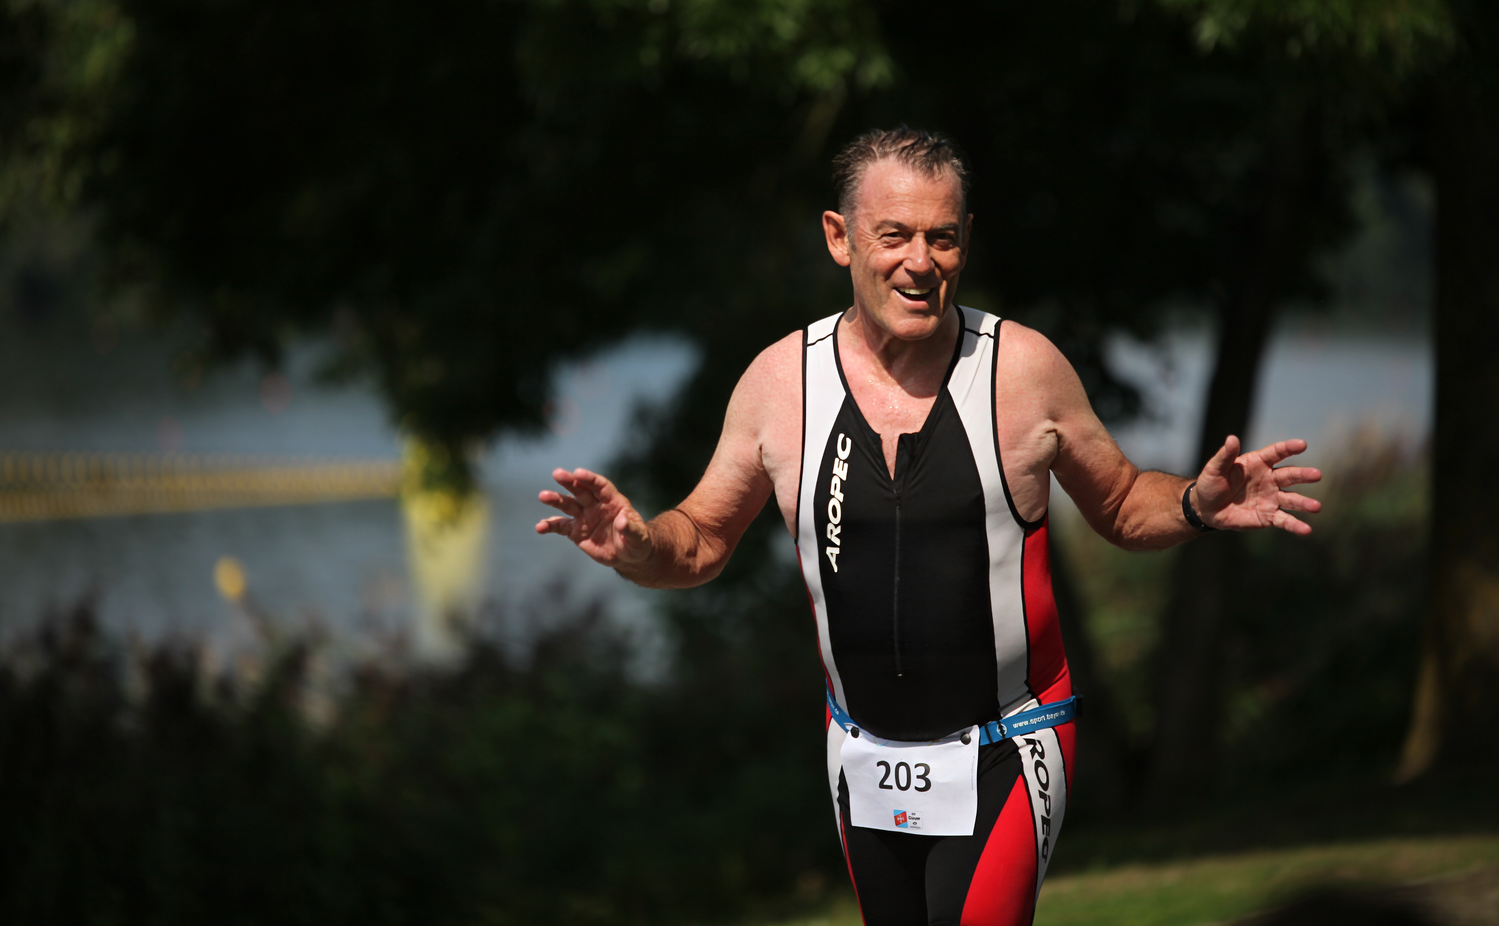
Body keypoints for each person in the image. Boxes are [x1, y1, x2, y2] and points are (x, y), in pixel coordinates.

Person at [536, 127, 1321, 926]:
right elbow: (698, 542)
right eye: (896, 236)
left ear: (967, 241)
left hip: (1010, 742)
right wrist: (637, 547)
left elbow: (1119, 504)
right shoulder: (780, 384)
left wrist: (1196, 503)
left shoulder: (1021, 370)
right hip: (863, 751)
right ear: (840, 238)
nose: (921, 262)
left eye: (942, 238)